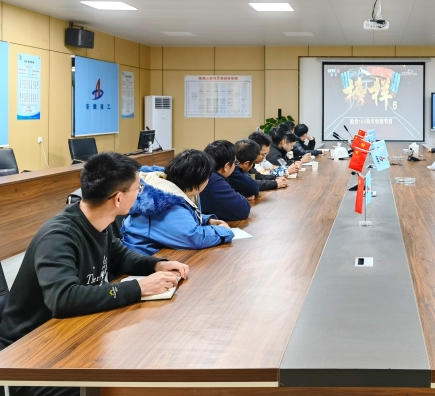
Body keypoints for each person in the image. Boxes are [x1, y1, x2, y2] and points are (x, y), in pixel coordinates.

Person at [0, 152, 189, 396]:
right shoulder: (59, 237)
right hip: (30, 356)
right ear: (118, 198)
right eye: (138, 188)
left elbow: (120, 257)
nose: (140, 192)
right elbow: (63, 298)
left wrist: (156, 265)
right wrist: (139, 288)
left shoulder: (100, 221)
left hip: (71, 333)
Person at [121, 149, 235, 256]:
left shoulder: (166, 188)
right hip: (145, 260)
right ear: (201, 181)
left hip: (152, 255)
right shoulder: (166, 203)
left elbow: (181, 220)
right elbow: (194, 237)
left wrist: (207, 220)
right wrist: (223, 231)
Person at [200, 140, 252, 221]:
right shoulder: (214, 181)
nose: (235, 166)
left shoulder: (206, 173)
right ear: (226, 166)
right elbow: (243, 209)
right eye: (234, 162)